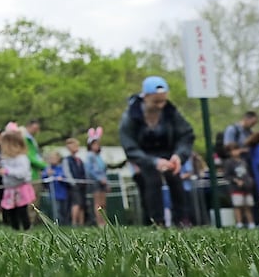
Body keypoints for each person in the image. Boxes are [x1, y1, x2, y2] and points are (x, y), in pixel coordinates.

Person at [119, 76, 195, 228]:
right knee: (151, 183)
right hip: (144, 157)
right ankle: (156, 223)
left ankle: (182, 221)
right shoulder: (130, 117)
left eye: (163, 101)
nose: (161, 106)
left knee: (176, 181)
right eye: (156, 101)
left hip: (169, 153)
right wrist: (153, 162)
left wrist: (179, 156)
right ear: (145, 97)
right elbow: (129, 146)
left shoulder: (171, 113)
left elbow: (186, 135)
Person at [0, 124, 35, 230]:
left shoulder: (21, 158)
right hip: (10, 188)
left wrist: (7, 171)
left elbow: (22, 173)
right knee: (11, 211)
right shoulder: (6, 159)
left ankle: (26, 229)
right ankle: (15, 230)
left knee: (22, 210)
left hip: (20, 187)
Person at [222, 144, 255, 228]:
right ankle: (239, 223)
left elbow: (248, 173)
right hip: (235, 188)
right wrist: (236, 181)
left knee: (248, 206)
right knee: (237, 206)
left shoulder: (243, 161)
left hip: (246, 187)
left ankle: (251, 223)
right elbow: (227, 175)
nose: (236, 152)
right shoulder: (228, 162)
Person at [83, 128, 109, 226]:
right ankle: (100, 222)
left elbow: (103, 170)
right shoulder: (90, 156)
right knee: (98, 203)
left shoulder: (99, 156)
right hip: (96, 182)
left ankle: (105, 221)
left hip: (103, 181)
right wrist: (99, 178)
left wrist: (106, 181)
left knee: (103, 203)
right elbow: (90, 170)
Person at [62, 138, 88, 226]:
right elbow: (67, 173)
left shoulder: (79, 160)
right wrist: (73, 183)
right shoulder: (67, 160)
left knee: (82, 204)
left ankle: (81, 223)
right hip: (74, 185)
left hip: (82, 185)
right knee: (76, 203)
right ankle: (74, 222)